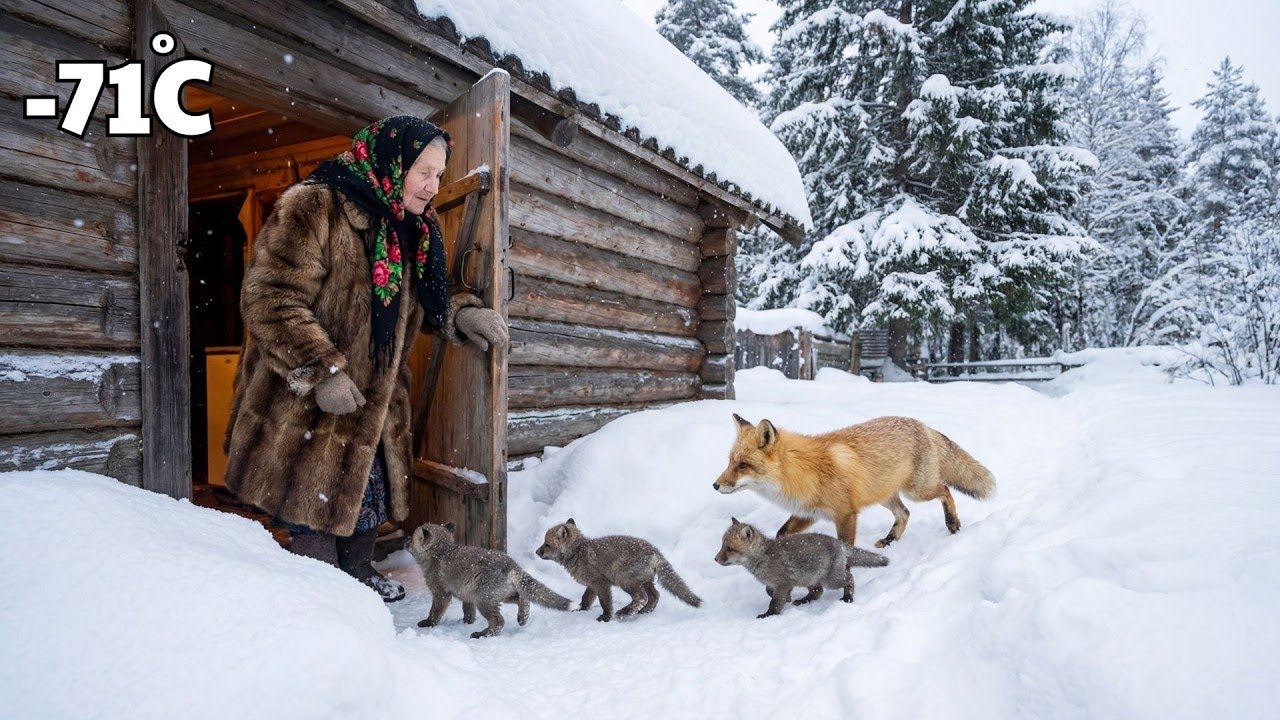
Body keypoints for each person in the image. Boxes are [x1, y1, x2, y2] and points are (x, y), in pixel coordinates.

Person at [222, 116, 507, 601]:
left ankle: (357, 575)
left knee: (364, 494)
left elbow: (429, 297)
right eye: (424, 172)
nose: (433, 187)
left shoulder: (411, 226)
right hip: (307, 400)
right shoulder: (316, 206)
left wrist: (462, 315)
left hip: (375, 397)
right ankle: (325, 600)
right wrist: (321, 371)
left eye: (439, 176)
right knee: (312, 500)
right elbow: (269, 298)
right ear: (392, 163)